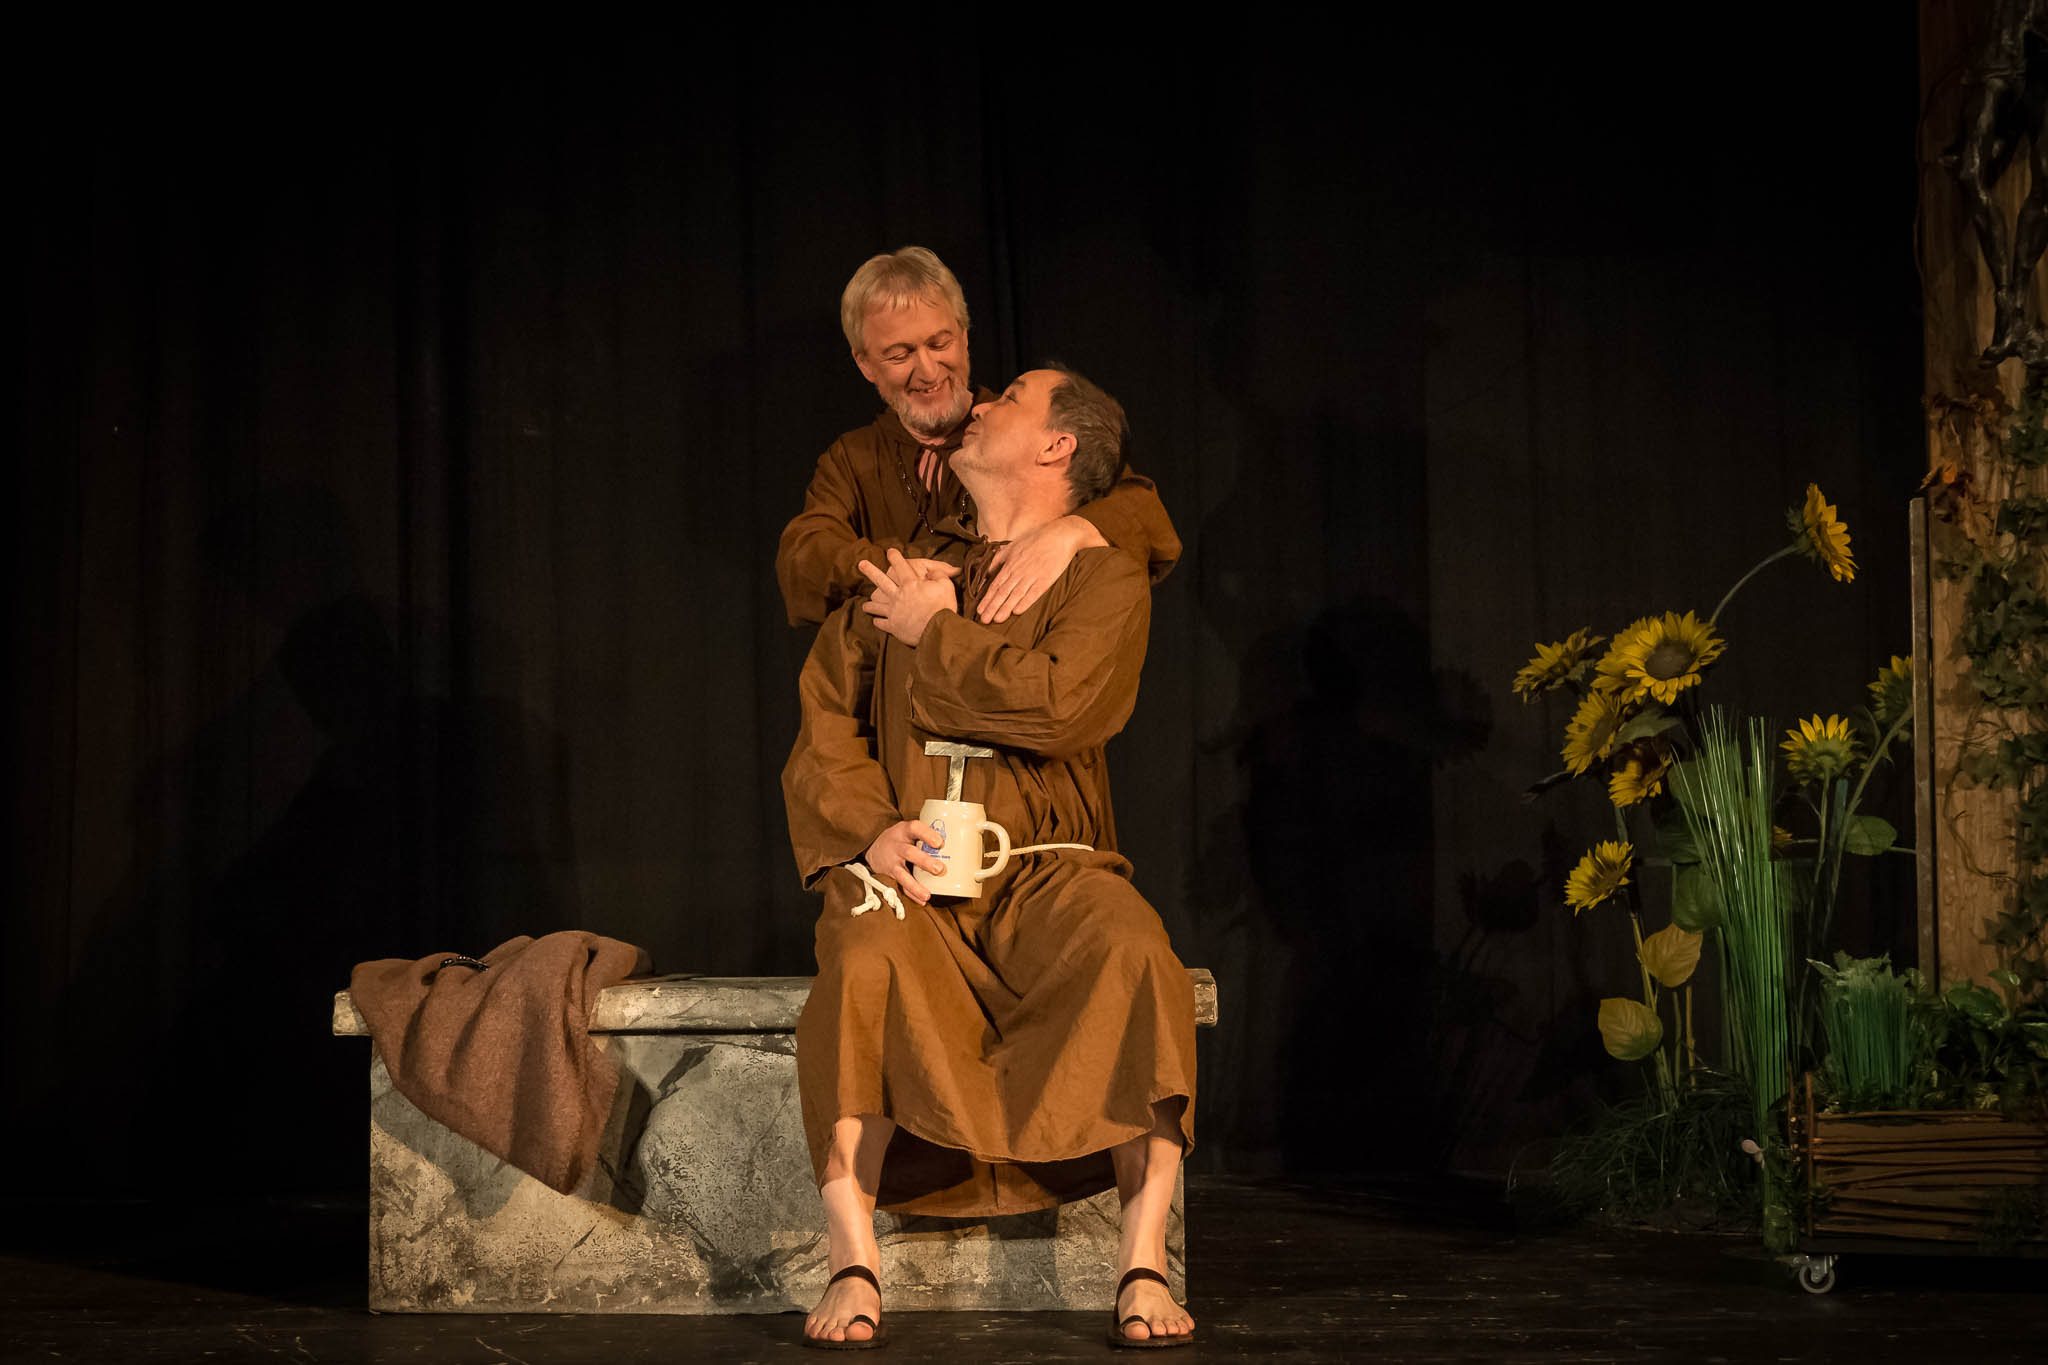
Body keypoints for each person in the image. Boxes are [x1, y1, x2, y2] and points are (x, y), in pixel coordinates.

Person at [782, 367, 1197, 1349]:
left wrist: (937, 635)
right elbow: (828, 720)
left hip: (1051, 871)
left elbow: (1056, 706)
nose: (978, 403)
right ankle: (852, 1260)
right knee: (864, 960)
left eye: (1008, 396)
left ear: (1057, 445)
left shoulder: (1100, 574)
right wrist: (869, 833)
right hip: (914, 872)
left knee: (1134, 952)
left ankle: (1143, 1259)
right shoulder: (905, 573)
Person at [774, 246, 1181, 628]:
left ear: (965, 336)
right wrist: (906, 567)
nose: (928, 371)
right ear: (865, 364)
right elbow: (803, 556)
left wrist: (1073, 529)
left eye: (940, 343)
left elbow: (1142, 512)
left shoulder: (1025, 429)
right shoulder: (850, 459)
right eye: (900, 355)